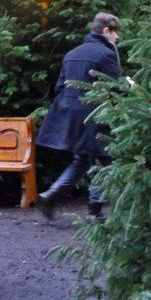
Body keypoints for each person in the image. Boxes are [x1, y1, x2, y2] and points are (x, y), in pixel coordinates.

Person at [36, 12, 122, 220]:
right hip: (95, 114)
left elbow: (60, 87)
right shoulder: (107, 54)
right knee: (106, 160)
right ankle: (95, 210)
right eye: (115, 33)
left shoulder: (72, 53)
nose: (117, 37)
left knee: (82, 159)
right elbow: (115, 88)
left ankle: (52, 195)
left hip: (71, 115)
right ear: (106, 31)